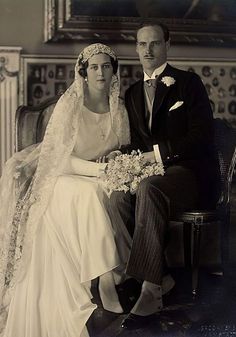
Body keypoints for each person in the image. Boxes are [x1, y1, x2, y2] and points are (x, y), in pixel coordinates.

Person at [0, 43, 131, 337]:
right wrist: (100, 170)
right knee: (87, 195)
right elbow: (60, 158)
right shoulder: (69, 104)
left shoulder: (119, 108)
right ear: (83, 73)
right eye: (94, 67)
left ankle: (110, 275)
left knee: (103, 194)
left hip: (101, 176)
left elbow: (121, 148)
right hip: (66, 175)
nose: (100, 72)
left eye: (106, 66)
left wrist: (112, 160)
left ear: (113, 72)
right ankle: (105, 278)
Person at [109, 22, 220, 330]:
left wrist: (158, 155)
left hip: (188, 174)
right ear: (136, 48)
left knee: (149, 187)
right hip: (153, 176)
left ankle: (150, 288)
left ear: (167, 45)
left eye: (155, 43)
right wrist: (124, 157)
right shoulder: (132, 93)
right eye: (142, 44)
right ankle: (161, 275)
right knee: (118, 197)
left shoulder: (188, 83)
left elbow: (202, 136)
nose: (148, 50)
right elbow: (136, 143)